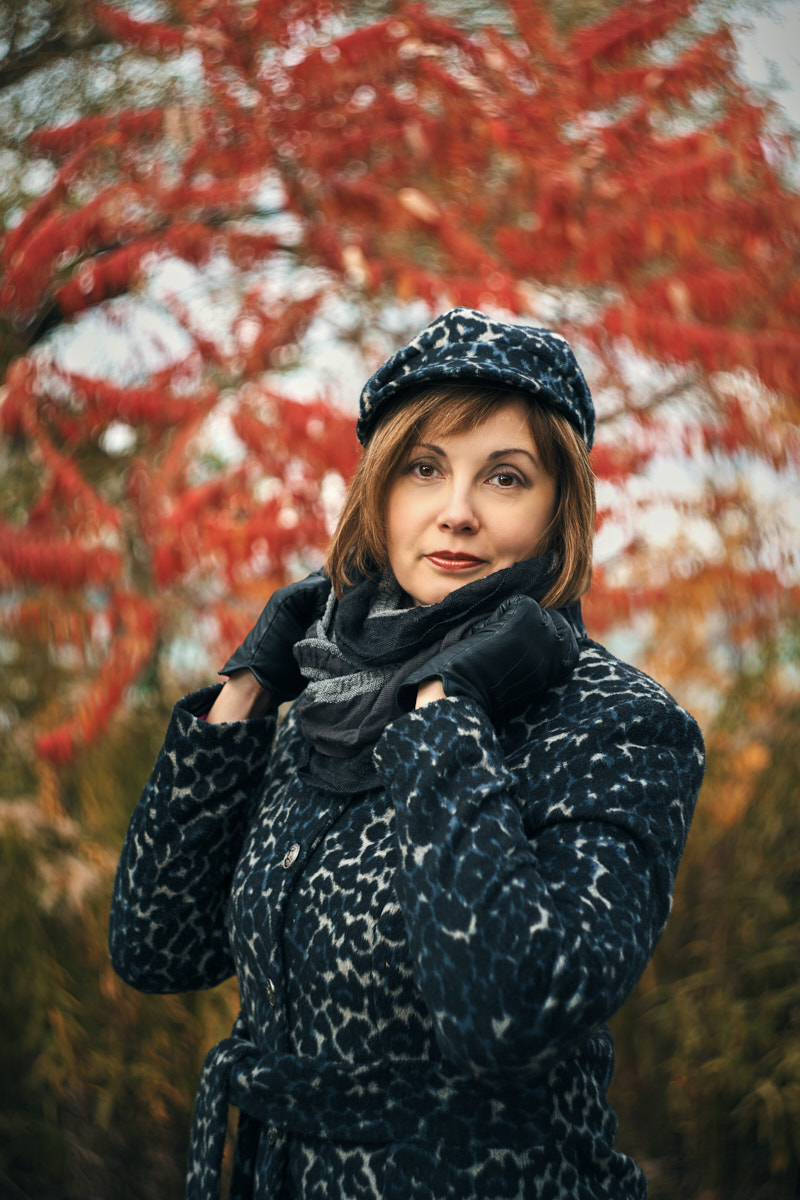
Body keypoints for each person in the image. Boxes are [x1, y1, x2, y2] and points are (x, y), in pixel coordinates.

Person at [109, 307, 705, 1200]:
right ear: (380, 492)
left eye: (505, 478)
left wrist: (445, 710)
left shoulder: (619, 725)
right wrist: (249, 686)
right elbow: (159, 948)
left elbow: (507, 1009)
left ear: (558, 512)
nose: (455, 513)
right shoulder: (322, 692)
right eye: (424, 469)